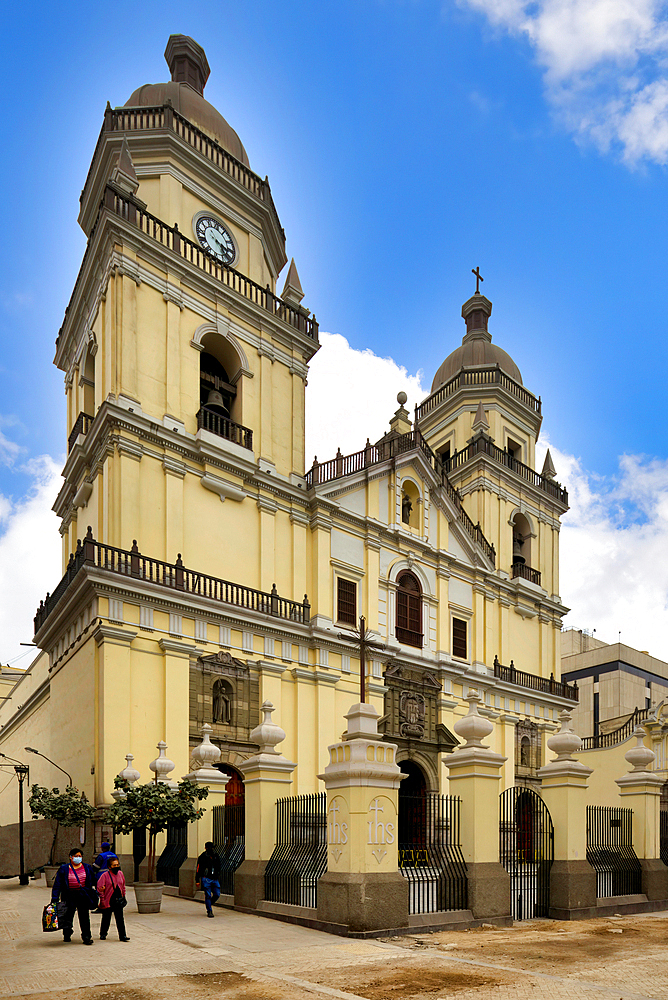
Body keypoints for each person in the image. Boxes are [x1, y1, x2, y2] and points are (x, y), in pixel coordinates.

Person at [51, 848, 97, 944]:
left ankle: (86, 936)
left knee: (84, 916)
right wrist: (55, 898)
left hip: (83, 895)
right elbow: (57, 884)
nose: (78, 858)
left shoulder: (87, 868)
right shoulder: (64, 869)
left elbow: (93, 880)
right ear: (71, 857)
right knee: (68, 915)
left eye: (80, 856)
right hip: (69, 895)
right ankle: (67, 934)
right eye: (76, 856)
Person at [97, 858, 130, 941]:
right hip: (109, 899)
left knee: (120, 918)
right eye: (114, 865)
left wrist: (124, 895)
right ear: (109, 867)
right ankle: (103, 933)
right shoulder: (105, 875)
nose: (116, 866)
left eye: (117, 865)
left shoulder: (120, 874)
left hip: (119, 899)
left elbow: (123, 886)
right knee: (106, 917)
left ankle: (123, 936)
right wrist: (102, 898)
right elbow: (99, 887)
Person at [195, 842, 221, 917]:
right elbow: (198, 869)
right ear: (206, 848)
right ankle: (209, 910)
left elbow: (219, 865)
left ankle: (209, 903)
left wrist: (217, 874)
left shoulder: (216, 856)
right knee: (208, 895)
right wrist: (197, 879)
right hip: (206, 878)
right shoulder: (202, 857)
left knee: (217, 894)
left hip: (214, 878)